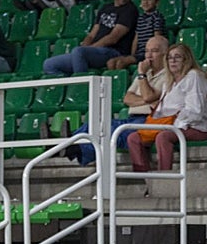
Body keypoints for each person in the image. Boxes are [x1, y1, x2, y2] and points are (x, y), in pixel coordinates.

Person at [64, 34, 172, 166]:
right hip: (132, 118)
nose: (149, 56)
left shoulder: (168, 75)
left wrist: (143, 79)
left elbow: (149, 96)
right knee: (93, 124)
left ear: (166, 54)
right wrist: (146, 99)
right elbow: (127, 98)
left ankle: (67, 146)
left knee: (112, 131)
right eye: (147, 51)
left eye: (154, 51)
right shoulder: (146, 72)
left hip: (150, 120)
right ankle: (65, 144)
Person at [127, 42, 207, 173]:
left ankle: (164, 178)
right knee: (134, 138)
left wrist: (174, 124)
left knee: (163, 136)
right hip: (168, 125)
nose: (172, 60)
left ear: (186, 59)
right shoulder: (169, 81)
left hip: (195, 127)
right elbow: (161, 110)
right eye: (169, 57)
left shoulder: (194, 76)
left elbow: (195, 112)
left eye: (177, 57)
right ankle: (146, 181)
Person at [42, 0, 137, 76]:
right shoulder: (105, 8)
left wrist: (89, 49)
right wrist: (85, 46)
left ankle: (81, 88)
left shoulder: (130, 10)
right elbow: (92, 34)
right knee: (49, 64)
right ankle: (70, 86)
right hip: (95, 51)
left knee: (79, 52)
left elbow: (113, 38)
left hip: (113, 51)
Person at [107, 0, 164, 70]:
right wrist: (132, 55)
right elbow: (136, 39)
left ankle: (123, 81)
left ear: (157, 2)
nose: (146, 2)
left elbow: (157, 38)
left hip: (148, 54)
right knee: (110, 62)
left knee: (120, 63)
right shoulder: (140, 18)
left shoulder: (157, 17)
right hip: (138, 54)